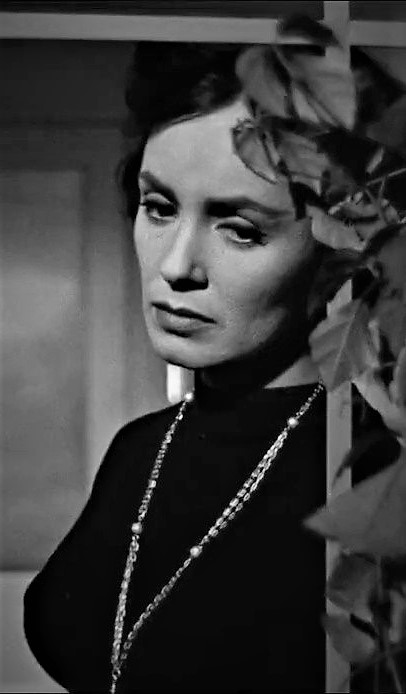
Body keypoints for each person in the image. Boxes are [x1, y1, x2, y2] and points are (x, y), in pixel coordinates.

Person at [24, 20, 403, 693]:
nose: (176, 266)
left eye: (241, 229)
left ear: (342, 249)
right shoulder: (138, 449)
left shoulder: (368, 479)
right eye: (158, 206)